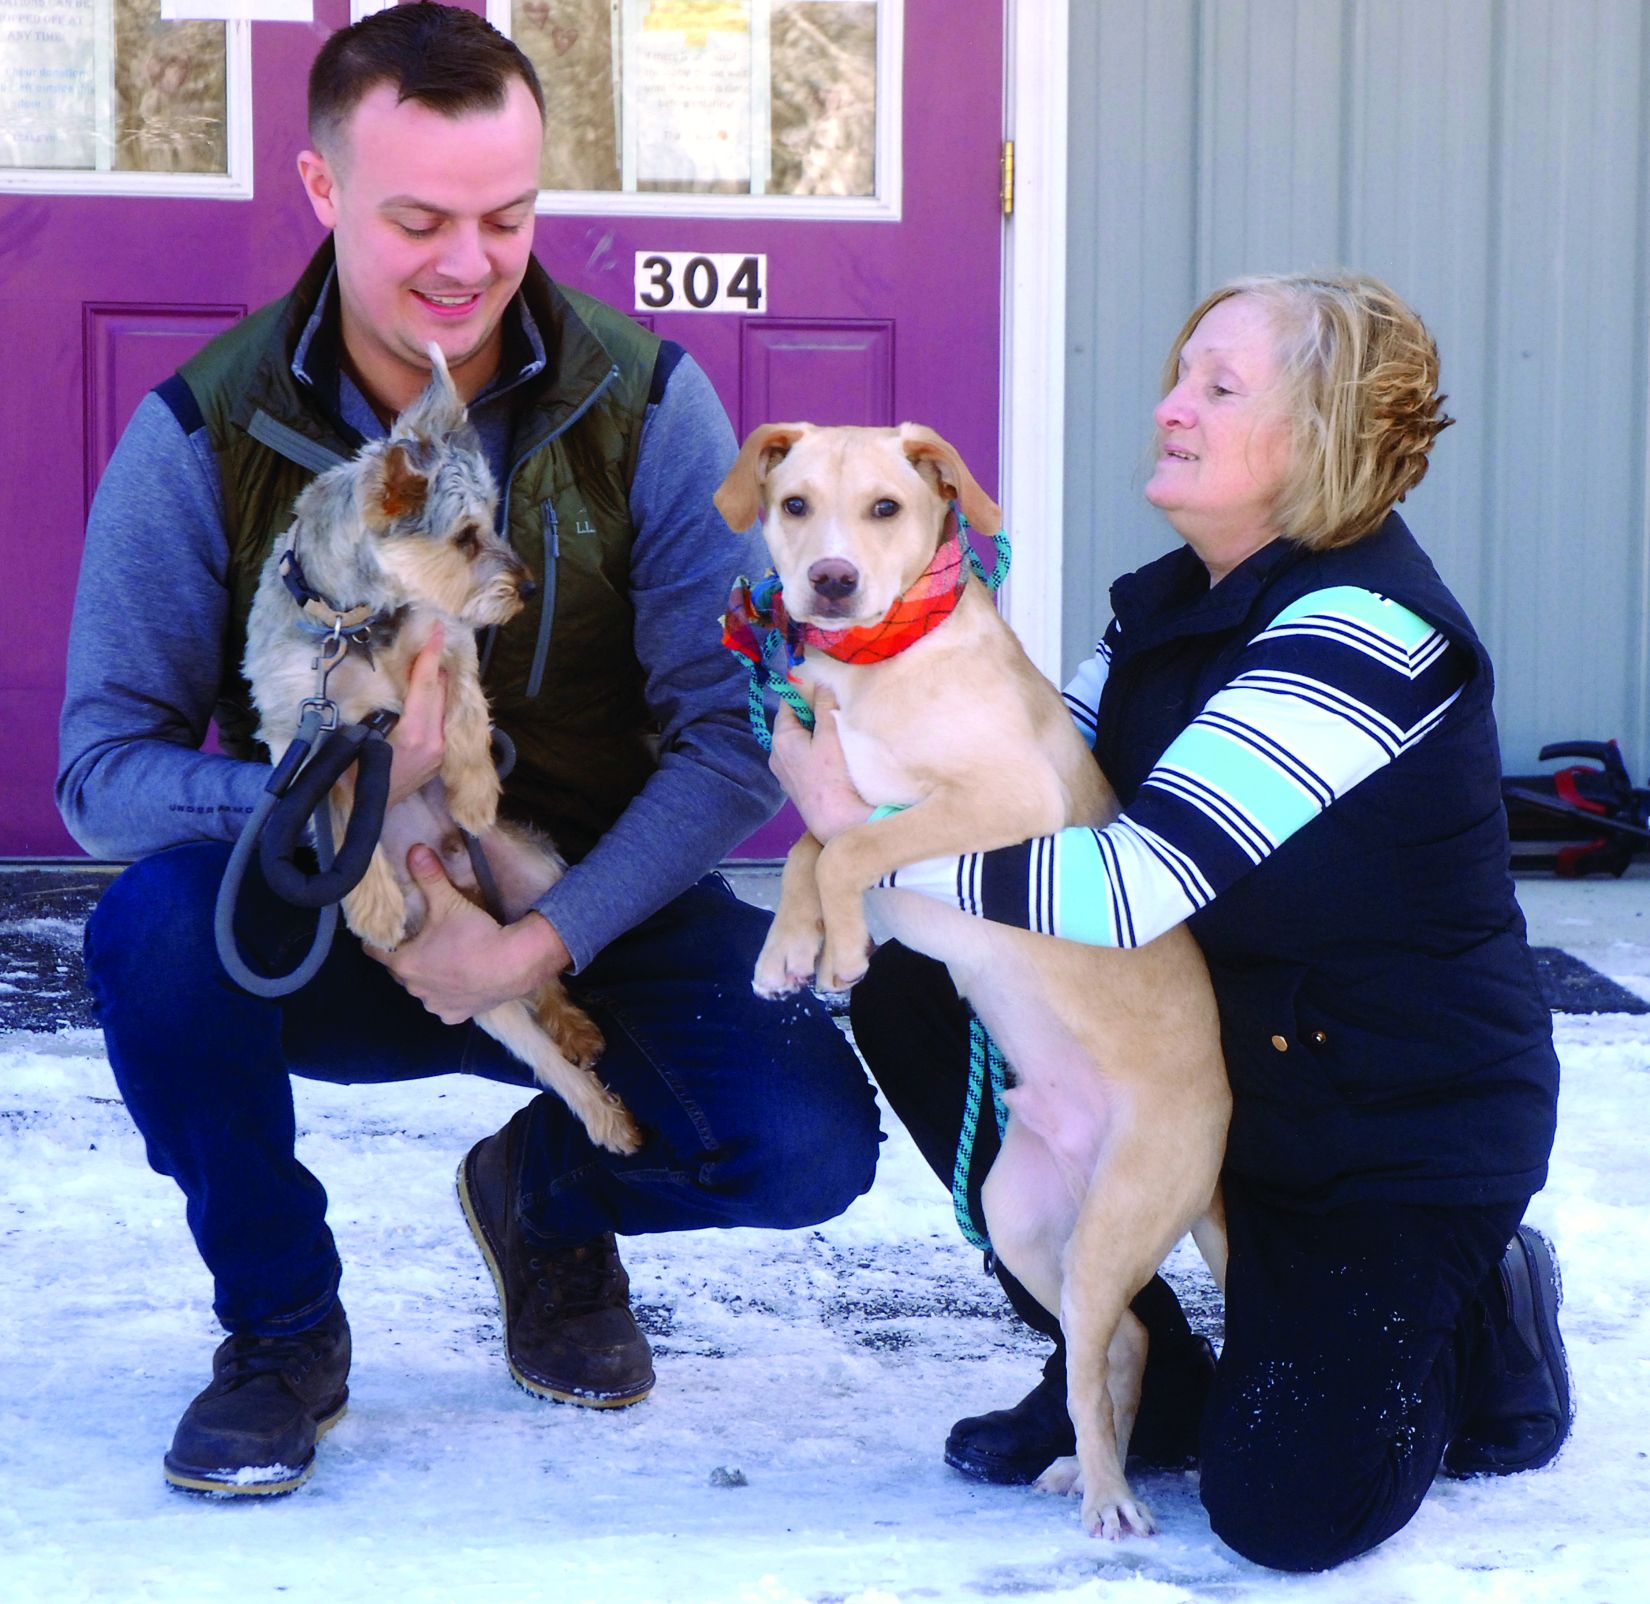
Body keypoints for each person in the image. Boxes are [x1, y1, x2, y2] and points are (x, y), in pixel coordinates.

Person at [57, 2, 879, 1497]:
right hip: (325, 914)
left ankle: (545, 1201)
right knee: (151, 935)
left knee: (803, 1145)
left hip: (584, 897)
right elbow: (99, 770)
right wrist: (332, 804)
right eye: (416, 217)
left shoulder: (645, 407)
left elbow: (733, 737)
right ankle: (280, 1329)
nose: (465, 259)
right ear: (321, 192)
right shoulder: (204, 429)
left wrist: (539, 935)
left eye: (505, 216)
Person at [770, 272, 1569, 1570]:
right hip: (1207, 1068)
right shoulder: (1159, 610)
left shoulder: (1364, 631)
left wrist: (852, 852)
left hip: (1378, 1131)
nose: (1170, 408)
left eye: (1218, 386)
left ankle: (1476, 1307)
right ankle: (1145, 1361)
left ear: (1315, 436)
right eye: (1177, 374)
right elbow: (1021, 805)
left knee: (1287, 1512)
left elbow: (1134, 880)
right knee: (910, 972)